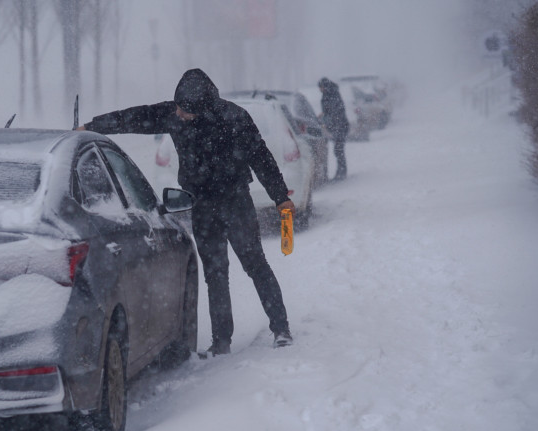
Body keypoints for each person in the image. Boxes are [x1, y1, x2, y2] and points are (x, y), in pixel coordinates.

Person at [77, 68, 294, 355]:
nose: (178, 114)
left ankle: (280, 328)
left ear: (203, 108)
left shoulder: (235, 118)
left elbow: (261, 158)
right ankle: (221, 341)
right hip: (202, 205)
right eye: (177, 106)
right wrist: (92, 127)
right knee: (215, 274)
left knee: (255, 265)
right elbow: (133, 117)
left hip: (235, 202)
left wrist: (280, 197)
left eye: (185, 110)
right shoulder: (173, 113)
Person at [318, 77, 350, 181]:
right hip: (338, 125)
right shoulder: (330, 94)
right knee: (338, 150)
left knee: (338, 150)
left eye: (321, 87)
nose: (320, 89)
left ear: (324, 86)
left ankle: (341, 172)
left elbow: (334, 112)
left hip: (339, 126)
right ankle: (341, 171)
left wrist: (326, 119)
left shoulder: (332, 95)